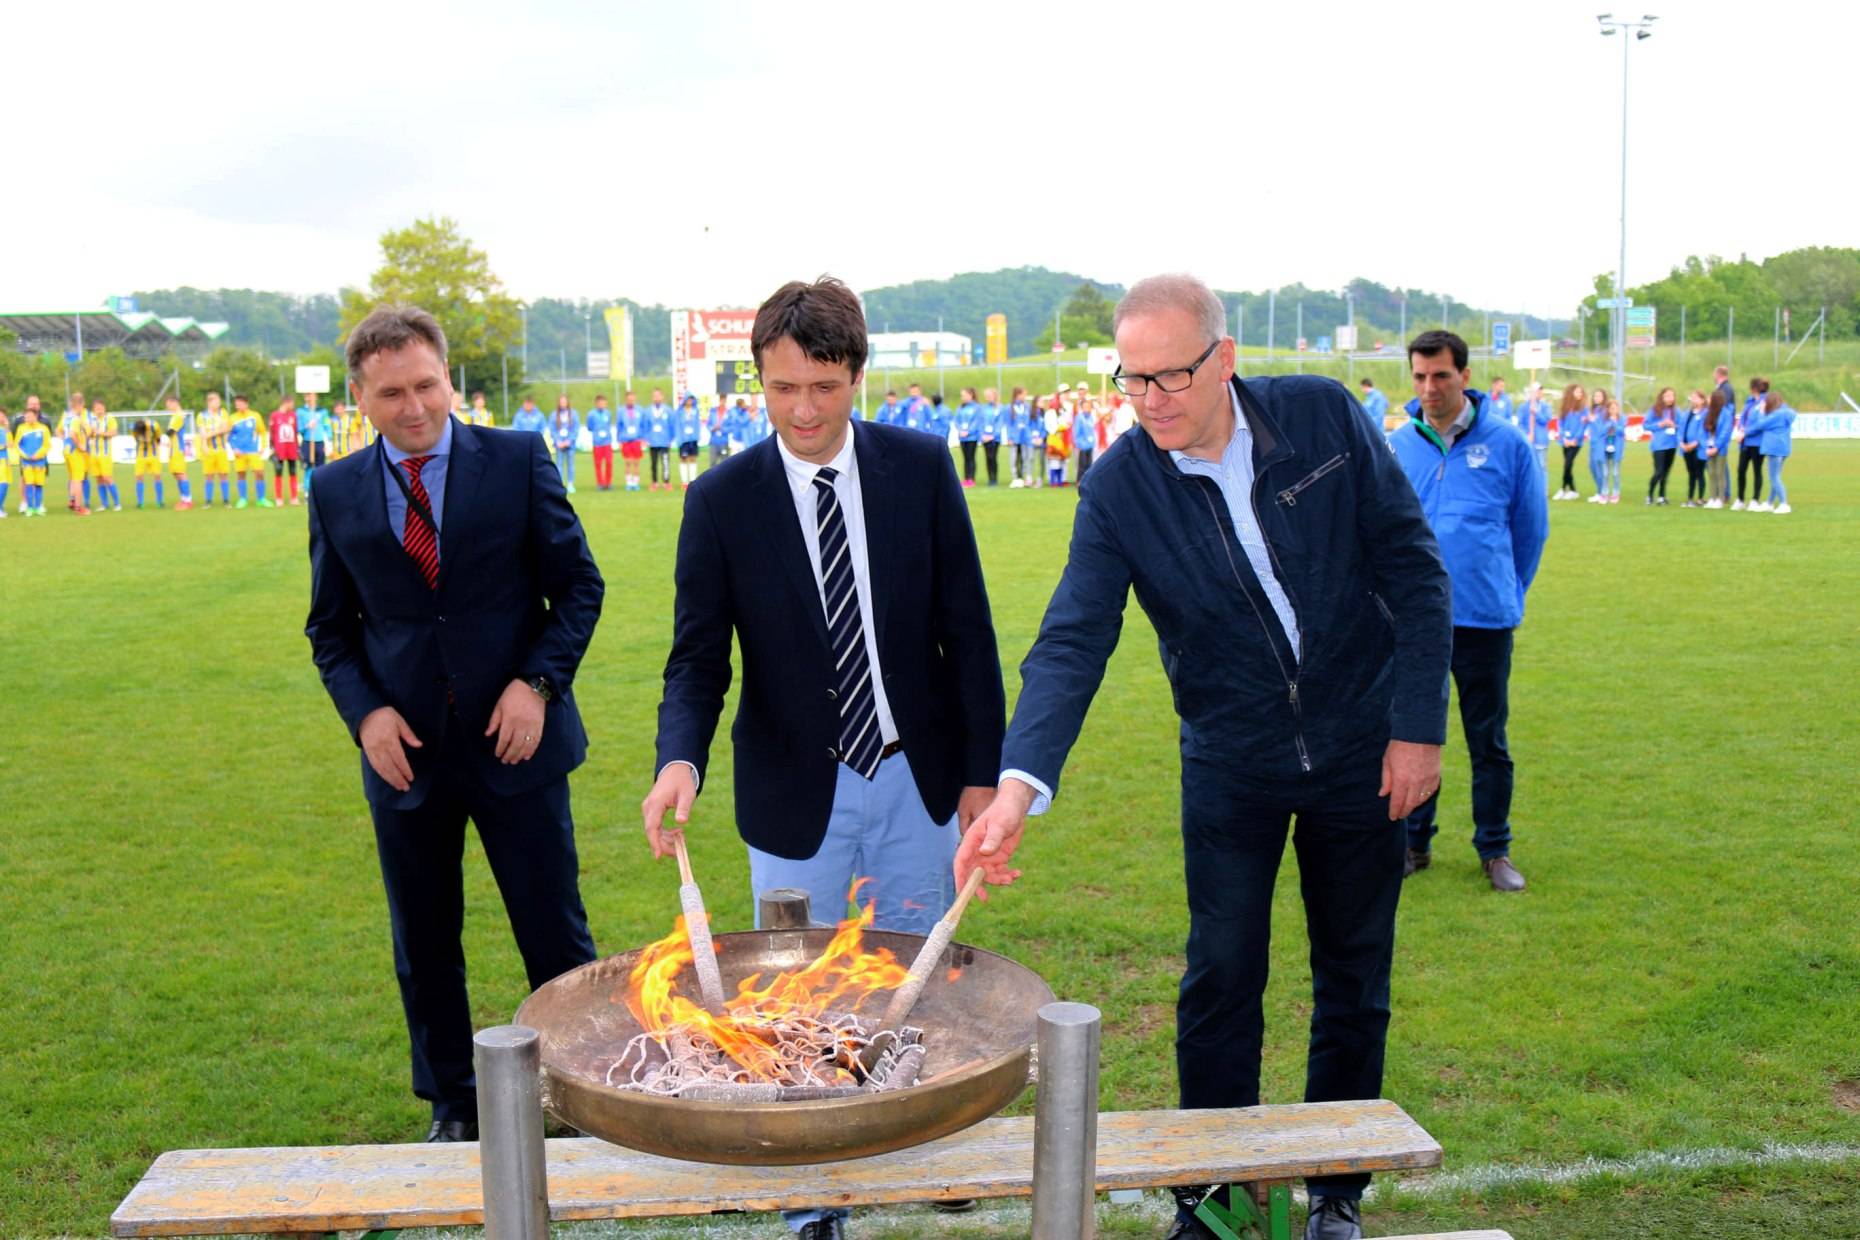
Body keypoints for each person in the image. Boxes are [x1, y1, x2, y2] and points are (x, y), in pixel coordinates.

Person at [957, 275, 1450, 1240]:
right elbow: (1071, 639)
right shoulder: (1119, 486)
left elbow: (1415, 569)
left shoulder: (1323, 419)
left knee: (1354, 974)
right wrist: (1018, 787)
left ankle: (1334, 1192)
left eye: (1171, 375)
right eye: (1131, 380)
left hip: (1362, 747)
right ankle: (1213, 1197)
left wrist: (1417, 726)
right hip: (1230, 761)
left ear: (1223, 359)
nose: (1151, 401)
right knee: (1221, 975)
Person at [643, 280, 1003, 1240]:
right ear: (757, 379)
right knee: (794, 999)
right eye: (783, 387)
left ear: (857, 376)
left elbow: (968, 633)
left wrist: (978, 774)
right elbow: (695, 658)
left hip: (916, 785)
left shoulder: (921, 470)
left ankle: (929, 1152)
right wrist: (679, 760)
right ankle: (812, 1194)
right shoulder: (721, 499)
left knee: (920, 982)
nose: (804, 410)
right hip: (795, 796)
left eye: (826, 386)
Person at [305, 303, 603, 1144]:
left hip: (518, 743)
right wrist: (366, 717)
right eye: (391, 392)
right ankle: (452, 1104)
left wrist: (536, 686)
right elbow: (330, 629)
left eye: (427, 385)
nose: (414, 407)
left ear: (449, 379)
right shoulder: (332, 489)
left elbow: (580, 586)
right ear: (359, 397)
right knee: (424, 939)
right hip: (408, 759)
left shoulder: (514, 459)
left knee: (553, 928)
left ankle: (574, 1091)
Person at [1391, 331, 1547, 892]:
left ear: (1465, 376)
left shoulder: (1507, 444)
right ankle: (1411, 843)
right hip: (1412, 621)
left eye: (1441, 376)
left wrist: (1501, 588)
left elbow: (1530, 532)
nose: (1429, 388)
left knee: (1488, 740)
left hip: (1483, 620)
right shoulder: (1398, 444)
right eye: (1420, 377)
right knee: (1411, 734)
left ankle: (1495, 850)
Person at [1744, 390, 1796, 514]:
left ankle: (1784, 503)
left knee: (1774, 477)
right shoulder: (1785, 413)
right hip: (1783, 448)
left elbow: (1760, 424)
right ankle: (1769, 502)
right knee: (1775, 476)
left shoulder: (1775, 416)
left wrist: (1761, 411)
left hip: (1774, 448)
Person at [227, 395, 272, 508]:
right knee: (241, 474)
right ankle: (243, 499)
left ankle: (261, 499)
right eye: (236, 403)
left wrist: (263, 446)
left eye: (240, 403)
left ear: (246, 403)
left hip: (253, 451)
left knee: (259, 473)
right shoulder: (232, 418)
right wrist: (234, 448)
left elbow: (262, 432)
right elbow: (229, 436)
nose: (237, 405)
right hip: (239, 452)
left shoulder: (255, 416)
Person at [1733, 378, 1768, 510]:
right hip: (1745, 442)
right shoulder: (1750, 402)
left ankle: (1755, 499)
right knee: (1741, 470)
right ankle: (1740, 499)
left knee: (1756, 470)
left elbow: (1759, 423)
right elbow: (1743, 417)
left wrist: (1745, 432)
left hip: (1757, 442)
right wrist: (1740, 428)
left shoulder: (1763, 402)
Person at [14, 399, 52, 515]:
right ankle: (30, 508)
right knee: (29, 484)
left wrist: (38, 455)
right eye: (26, 417)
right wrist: (26, 456)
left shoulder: (43, 428)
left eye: (30, 417)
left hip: (40, 462)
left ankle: (39, 506)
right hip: (27, 463)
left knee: (39, 485)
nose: (28, 419)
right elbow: (17, 445)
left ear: (35, 416)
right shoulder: (21, 428)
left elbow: (47, 445)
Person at [1643, 387, 1680, 506]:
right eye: (1667, 396)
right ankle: (1650, 495)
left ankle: (1662, 496)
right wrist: (1661, 424)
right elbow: (1646, 425)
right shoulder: (1655, 410)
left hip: (1672, 444)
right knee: (1658, 471)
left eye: (1672, 396)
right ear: (1662, 397)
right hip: (1659, 445)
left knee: (1666, 472)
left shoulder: (1676, 411)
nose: (1670, 398)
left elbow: (1681, 424)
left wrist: (1675, 426)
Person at [197, 392, 232, 508]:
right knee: (209, 475)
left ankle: (226, 501)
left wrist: (209, 434)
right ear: (209, 402)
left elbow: (226, 428)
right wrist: (205, 442)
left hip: (221, 449)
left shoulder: (223, 413)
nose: (218, 404)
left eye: (219, 401)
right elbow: (202, 433)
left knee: (224, 475)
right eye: (216, 401)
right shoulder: (201, 416)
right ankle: (208, 501)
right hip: (209, 450)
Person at [1553, 383, 1587, 500]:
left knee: (1567, 465)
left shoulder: (1583, 409)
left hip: (1576, 442)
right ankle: (1573, 490)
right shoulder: (1565, 407)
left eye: (1581, 392)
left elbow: (1583, 426)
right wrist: (1564, 438)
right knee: (1568, 466)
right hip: (1565, 441)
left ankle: (1562, 488)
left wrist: (1575, 439)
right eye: (1577, 391)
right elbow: (1560, 423)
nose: (1579, 394)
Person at [1702, 386, 1734, 508]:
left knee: (1720, 472)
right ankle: (1712, 497)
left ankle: (1720, 498)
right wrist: (1706, 446)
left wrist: (1717, 446)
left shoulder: (1726, 414)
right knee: (1711, 472)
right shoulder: (1708, 413)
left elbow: (1725, 432)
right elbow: (1703, 430)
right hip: (1709, 447)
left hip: (1720, 448)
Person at [59, 393, 91, 514]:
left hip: (66, 449)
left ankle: (72, 501)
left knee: (72, 478)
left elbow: (62, 432)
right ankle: (79, 507)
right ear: (81, 404)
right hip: (74, 450)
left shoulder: (67, 417)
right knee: (78, 479)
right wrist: (81, 446)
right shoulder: (76, 419)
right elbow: (73, 434)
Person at [88, 398, 122, 512]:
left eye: (101, 408)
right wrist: (90, 433)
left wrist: (100, 433)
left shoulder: (109, 419)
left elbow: (114, 432)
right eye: (97, 408)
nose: (99, 410)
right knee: (98, 479)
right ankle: (104, 504)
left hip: (105, 454)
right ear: (93, 410)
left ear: (104, 408)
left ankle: (117, 503)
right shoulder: (91, 421)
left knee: (107, 478)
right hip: (94, 454)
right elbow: (88, 435)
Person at [1518, 383, 1552, 488]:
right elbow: (1521, 423)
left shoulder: (1545, 406)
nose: (1540, 393)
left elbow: (1545, 420)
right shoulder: (1524, 407)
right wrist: (1527, 434)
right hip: (1529, 440)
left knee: (1542, 465)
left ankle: (1542, 489)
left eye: (1541, 391)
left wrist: (1536, 412)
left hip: (1541, 441)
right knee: (1528, 466)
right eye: (1538, 391)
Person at [270, 398, 302, 505]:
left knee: (293, 472)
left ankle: (294, 497)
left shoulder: (293, 415)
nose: (292, 406)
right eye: (291, 403)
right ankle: (279, 498)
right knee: (278, 472)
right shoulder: (275, 415)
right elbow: (272, 433)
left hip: (291, 448)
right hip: (280, 449)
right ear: (285, 403)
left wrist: (297, 448)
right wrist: (272, 448)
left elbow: (295, 432)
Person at [165, 397, 195, 509]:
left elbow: (170, 432)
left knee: (181, 473)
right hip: (173, 450)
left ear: (175, 403)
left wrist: (158, 438)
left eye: (168, 403)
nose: (167, 406)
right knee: (176, 474)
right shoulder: (175, 416)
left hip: (178, 449)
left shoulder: (178, 416)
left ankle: (188, 500)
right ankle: (183, 499)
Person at [1678, 391, 1707, 506]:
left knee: (1699, 472)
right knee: (1691, 473)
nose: (1693, 400)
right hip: (1686, 448)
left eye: (1696, 398)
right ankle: (1690, 498)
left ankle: (1700, 497)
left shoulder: (1705, 414)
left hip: (1698, 448)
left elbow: (1702, 431)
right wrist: (1681, 443)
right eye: (1692, 398)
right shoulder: (1687, 413)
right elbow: (1681, 428)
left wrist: (1694, 444)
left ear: (1702, 400)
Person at [130, 414, 165, 508]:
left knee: (157, 476)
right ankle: (140, 502)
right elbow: (135, 439)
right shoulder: (134, 428)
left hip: (153, 454)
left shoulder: (155, 426)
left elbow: (158, 438)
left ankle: (160, 501)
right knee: (139, 477)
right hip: (140, 454)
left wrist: (152, 442)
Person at [645, 389, 674, 490]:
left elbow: (672, 425)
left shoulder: (668, 410)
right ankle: (654, 482)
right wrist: (646, 439)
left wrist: (671, 439)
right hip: (653, 441)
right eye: (654, 396)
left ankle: (666, 482)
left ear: (662, 397)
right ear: (652, 397)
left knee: (665, 462)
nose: (656, 398)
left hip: (664, 441)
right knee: (653, 463)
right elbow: (646, 426)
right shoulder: (648, 411)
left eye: (658, 395)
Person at [550, 395, 580, 493]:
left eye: (564, 402)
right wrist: (557, 441)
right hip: (559, 444)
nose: (563, 404)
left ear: (567, 403)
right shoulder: (554, 415)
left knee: (571, 464)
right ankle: (560, 484)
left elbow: (576, 429)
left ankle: (570, 484)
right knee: (559, 464)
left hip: (570, 444)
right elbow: (552, 429)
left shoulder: (573, 414)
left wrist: (569, 440)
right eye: (561, 402)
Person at [586, 394, 616, 491]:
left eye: (603, 403)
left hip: (607, 442)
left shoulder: (608, 413)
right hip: (597, 443)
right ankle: (600, 483)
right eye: (600, 403)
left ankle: (608, 483)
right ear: (596, 403)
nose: (602, 404)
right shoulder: (591, 414)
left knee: (609, 462)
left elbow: (608, 424)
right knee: (598, 463)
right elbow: (589, 427)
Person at [955, 387, 981, 485]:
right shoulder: (960, 408)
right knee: (965, 458)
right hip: (962, 437)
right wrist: (960, 430)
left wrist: (968, 431)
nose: (962, 397)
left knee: (971, 457)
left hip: (972, 437)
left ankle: (971, 478)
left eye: (964, 395)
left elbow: (977, 421)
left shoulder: (977, 408)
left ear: (971, 395)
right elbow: (956, 420)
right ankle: (966, 478)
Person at [619, 393, 646, 490]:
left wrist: (643, 438)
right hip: (626, 440)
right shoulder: (621, 411)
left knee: (636, 462)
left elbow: (643, 425)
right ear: (626, 400)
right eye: (629, 399)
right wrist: (619, 440)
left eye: (632, 399)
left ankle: (636, 482)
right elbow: (619, 426)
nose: (631, 401)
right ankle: (628, 482)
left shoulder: (640, 410)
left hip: (636, 439)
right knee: (628, 462)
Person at [676, 393, 702, 488]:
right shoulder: (680, 412)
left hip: (693, 439)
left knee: (693, 458)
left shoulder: (695, 411)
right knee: (683, 459)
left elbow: (697, 425)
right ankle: (684, 481)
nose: (690, 401)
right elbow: (677, 426)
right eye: (688, 399)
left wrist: (697, 436)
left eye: (691, 399)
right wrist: (679, 439)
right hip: (683, 439)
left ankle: (692, 480)